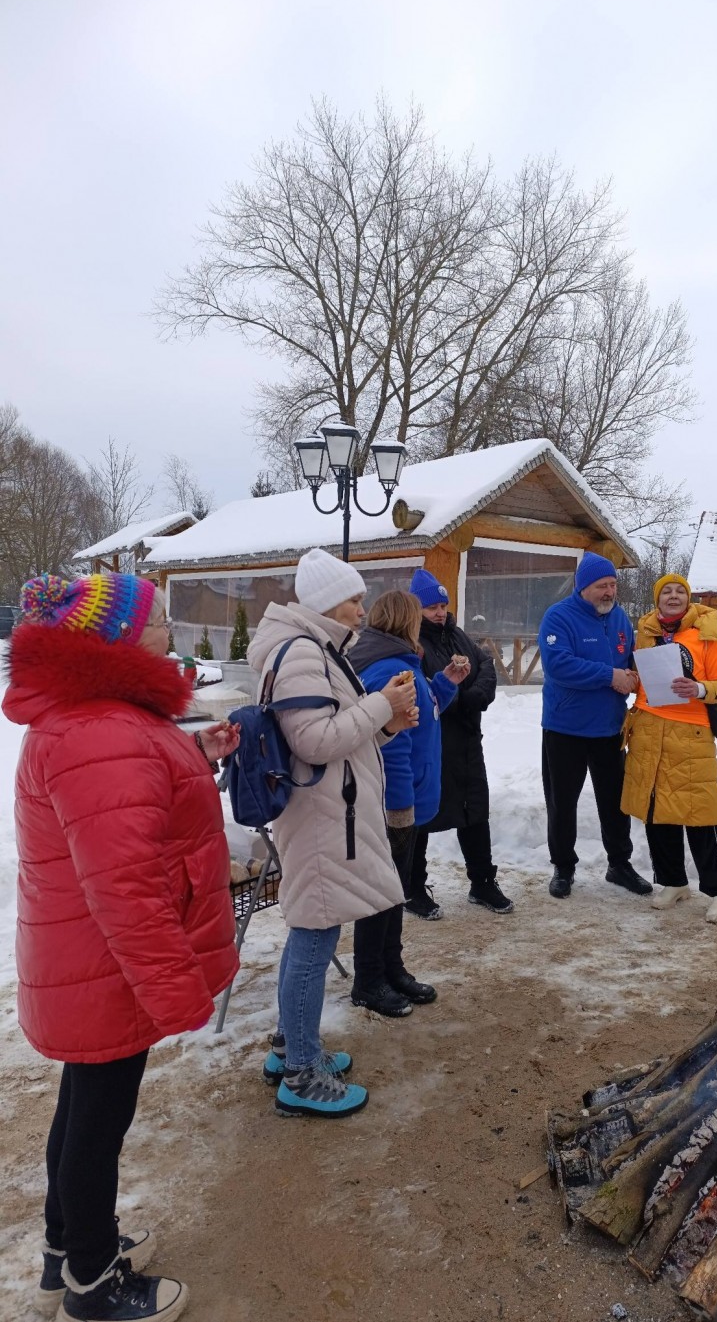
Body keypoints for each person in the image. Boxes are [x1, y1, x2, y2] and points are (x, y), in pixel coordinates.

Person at [3, 572, 239, 1322]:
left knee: (83, 1106)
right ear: (119, 638)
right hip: (109, 965)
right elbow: (125, 884)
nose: (170, 628)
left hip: (89, 960)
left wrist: (192, 753)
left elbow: (129, 799)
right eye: (160, 618)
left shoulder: (98, 718)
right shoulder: (101, 730)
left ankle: (65, 1250)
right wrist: (175, 987)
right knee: (98, 1121)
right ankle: (93, 1281)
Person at [247, 549, 418, 1102]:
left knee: (311, 931)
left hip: (325, 813)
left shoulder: (315, 648)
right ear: (326, 602)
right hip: (321, 820)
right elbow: (314, 742)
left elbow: (337, 739)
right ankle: (301, 1073)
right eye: (353, 599)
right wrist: (380, 704)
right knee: (314, 935)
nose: (362, 610)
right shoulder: (302, 650)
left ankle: (289, 1046)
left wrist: (387, 725)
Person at [350, 591, 465, 996]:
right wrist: (399, 807)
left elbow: (421, 715)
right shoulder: (391, 670)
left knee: (394, 890)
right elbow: (392, 746)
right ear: (407, 622)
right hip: (395, 804)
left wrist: (443, 685)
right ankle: (369, 980)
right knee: (382, 893)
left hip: (404, 799)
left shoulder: (402, 664)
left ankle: (392, 968)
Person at [621, 574, 717, 924]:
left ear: (688, 599)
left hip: (690, 732)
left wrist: (699, 689)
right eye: (666, 592)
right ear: (657, 600)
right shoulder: (645, 632)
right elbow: (640, 678)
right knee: (657, 811)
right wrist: (631, 680)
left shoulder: (707, 632)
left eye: (680, 592)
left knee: (700, 814)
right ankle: (673, 882)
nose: (673, 596)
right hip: (648, 729)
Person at [538, 551, 650, 900]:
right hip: (565, 728)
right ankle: (563, 867)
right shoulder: (558, 617)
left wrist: (637, 675)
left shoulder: (619, 618)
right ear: (583, 586)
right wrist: (610, 676)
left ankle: (619, 864)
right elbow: (559, 666)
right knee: (562, 802)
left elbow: (630, 659)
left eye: (613, 584)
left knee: (615, 802)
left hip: (609, 728)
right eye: (602, 585)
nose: (609, 591)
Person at [406, 568, 513, 918]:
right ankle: (412, 888)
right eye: (431, 607)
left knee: (475, 811)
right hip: (433, 746)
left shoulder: (457, 635)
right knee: (422, 816)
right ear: (417, 609)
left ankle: (482, 881)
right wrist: (459, 698)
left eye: (442, 605)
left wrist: (473, 696)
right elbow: (423, 690)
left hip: (467, 742)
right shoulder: (412, 644)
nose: (440, 612)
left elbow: (486, 665)